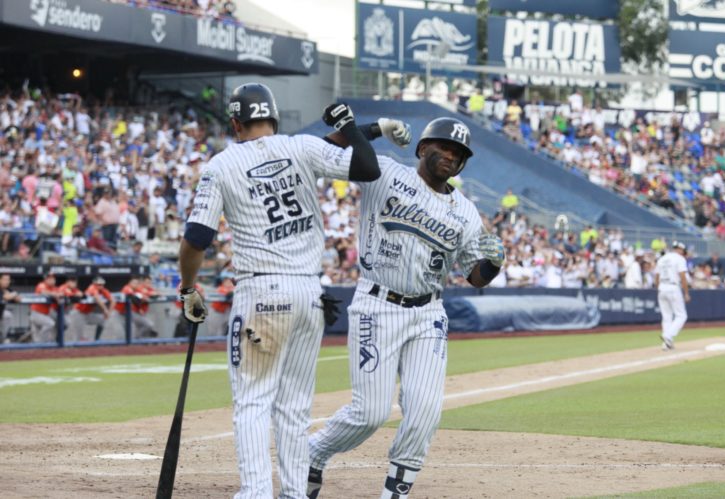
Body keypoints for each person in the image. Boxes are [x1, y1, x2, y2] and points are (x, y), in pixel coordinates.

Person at [177, 83, 384, 499]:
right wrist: (365, 128)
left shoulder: (221, 164)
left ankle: (255, 492)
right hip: (310, 294)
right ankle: (293, 492)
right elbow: (366, 167)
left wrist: (187, 289)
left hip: (261, 292)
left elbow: (197, 237)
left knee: (253, 400)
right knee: (294, 406)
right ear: (274, 117)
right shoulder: (301, 146)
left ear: (236, 123)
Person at [307, 117, 506, 499]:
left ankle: (395, 492)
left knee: (425, 409)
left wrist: (494, 263)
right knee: (369, 413)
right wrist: (373, 127)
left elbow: (475, 277)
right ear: (422, 148)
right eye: (445, 147)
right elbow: (325, 148)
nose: (451, 156)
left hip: (428, 314)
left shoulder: (465, 212)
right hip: (376, 305)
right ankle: (313, 453)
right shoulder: (384, 172)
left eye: (459, 153)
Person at [654, 241, 690, 350]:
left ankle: (666, 344)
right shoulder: (679, 259)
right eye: (683, 252)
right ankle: (668, 336)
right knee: (681, 315)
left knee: (666, 317)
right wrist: (686, 293)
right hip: (673, 287)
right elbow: (682, 276)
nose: (683, 254)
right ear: (680, 249)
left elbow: (656, 276)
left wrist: (659, 288)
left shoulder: (662, 258)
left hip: (662, 287)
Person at [68, 276, 114, 342]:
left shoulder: (103, 290)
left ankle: (97, 340)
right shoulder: (92, 288)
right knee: (79, 338)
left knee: (103, 320)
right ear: (94, 284)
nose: (101, 286)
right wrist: (105, 309)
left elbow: (113, 300)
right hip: (78, 313)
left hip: (88, 314)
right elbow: (97, 298)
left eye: (102, 284)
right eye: (99, 284)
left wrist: (109, 312)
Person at [29, 273, 60, 343]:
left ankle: (42, 345)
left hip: (45, 314)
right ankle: (42, 344)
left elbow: (61, 294)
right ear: (45, 280)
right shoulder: (41, 285)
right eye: (49, 279)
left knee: (37, 339)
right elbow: (44, 292)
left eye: (53, 278)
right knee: (50, 324)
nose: (52, 280)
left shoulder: (54, 288)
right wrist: (55, 294)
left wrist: (58, 295)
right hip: (36, 313)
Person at [0, 274, 21, 343]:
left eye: (8, 280)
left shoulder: (7, 289)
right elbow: (6, 297)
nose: (7, 281)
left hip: (1, 314)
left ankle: (2, 339)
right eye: (5, 279)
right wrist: (14, 294)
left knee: (7, 315)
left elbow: (18, 299)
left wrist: (13, 294)